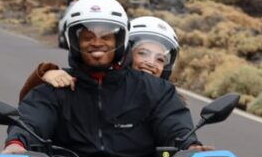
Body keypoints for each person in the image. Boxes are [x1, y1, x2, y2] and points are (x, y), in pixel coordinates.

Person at [2, 0, 203, 157]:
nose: (97, 42)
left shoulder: (159, 91)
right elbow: (32, 118)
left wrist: (191, 148)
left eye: (106, 35)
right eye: (88, 36)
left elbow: (175, 126)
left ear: (120, 40)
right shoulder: (57, 87)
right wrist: (17, 143)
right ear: (73, 40)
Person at [17, 15, 180, 101]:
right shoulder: (95, 83)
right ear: (125, 51)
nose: (151, 63)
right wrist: (44, 76)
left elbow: (180, 134)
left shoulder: (168, 100)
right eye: (143, 53)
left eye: (160, 59)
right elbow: (32, 112)